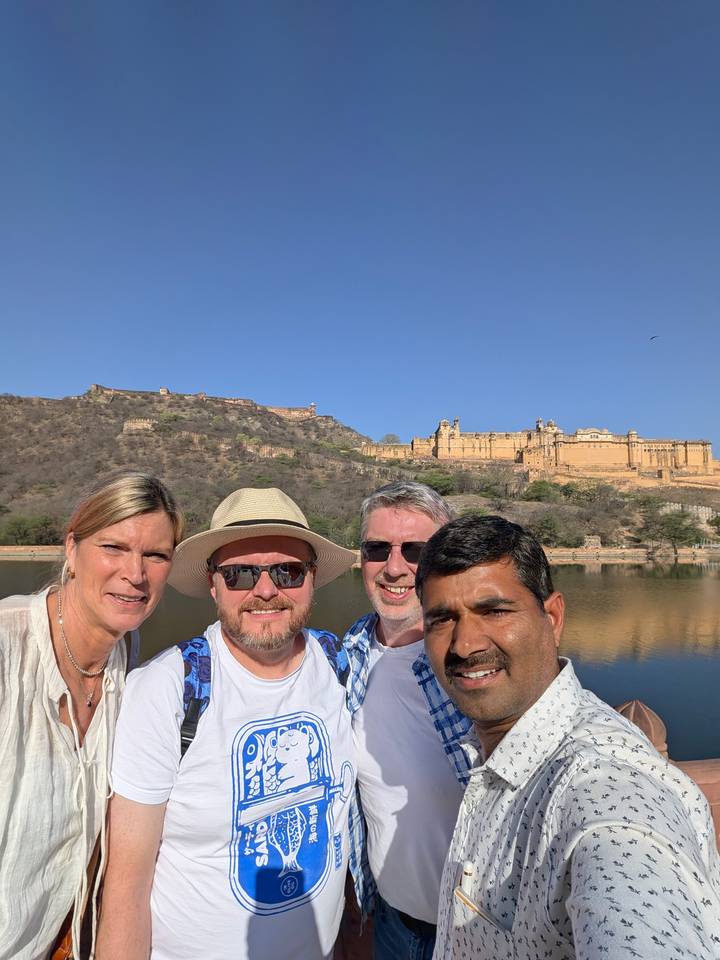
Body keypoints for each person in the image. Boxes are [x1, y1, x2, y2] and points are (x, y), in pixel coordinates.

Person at [416, 513, 720, 959]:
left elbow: (634, 893)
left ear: (553, 617)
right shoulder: (491, 745)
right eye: (442, 619)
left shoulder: (604, 782)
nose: (464, 644)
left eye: (494, 611)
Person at [97, 487, 358, 960]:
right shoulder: (171, 688)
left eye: (287, 571)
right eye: (239, 574)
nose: (265, 590)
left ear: (312, 579)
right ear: (214, 585)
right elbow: (126, 886)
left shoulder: (337, 663)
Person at [0, 472, 183, 960]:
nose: (135, 573)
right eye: (114, 547)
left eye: (156, 555)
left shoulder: (128, 659)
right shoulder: (7, 647)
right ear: (71, 548)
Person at [341, 481, 471, 959]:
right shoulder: (349, 653)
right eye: (378, 549)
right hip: (392, 919)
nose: (395, 567)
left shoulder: (480, 659)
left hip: (481, 927)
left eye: (416, 550)